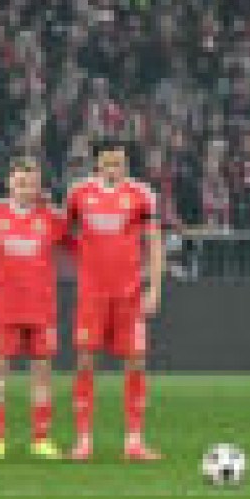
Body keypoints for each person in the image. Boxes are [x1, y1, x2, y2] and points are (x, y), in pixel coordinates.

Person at [65, 139, 163, 461]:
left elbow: (154, 242)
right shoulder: (78, 194)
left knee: (136, 363)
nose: (113, 169)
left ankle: (134, 441)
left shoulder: (141, 194)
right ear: (96, 164)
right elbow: (64, 233)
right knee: (84, 363)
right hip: (91, 296)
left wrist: (154, 288)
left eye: (118, 163)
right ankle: (83, 441)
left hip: (129, 296)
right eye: (107, 163)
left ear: (126, 164)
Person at [0, 157, 71, 460]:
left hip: (41, 309)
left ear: (38, 187)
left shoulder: (52, 219)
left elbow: (79, 242)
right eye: (20, 182)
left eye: (30, 183)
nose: (25, 188)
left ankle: (41, 439)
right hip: (4, 309)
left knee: (42, 375)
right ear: (10, 184)